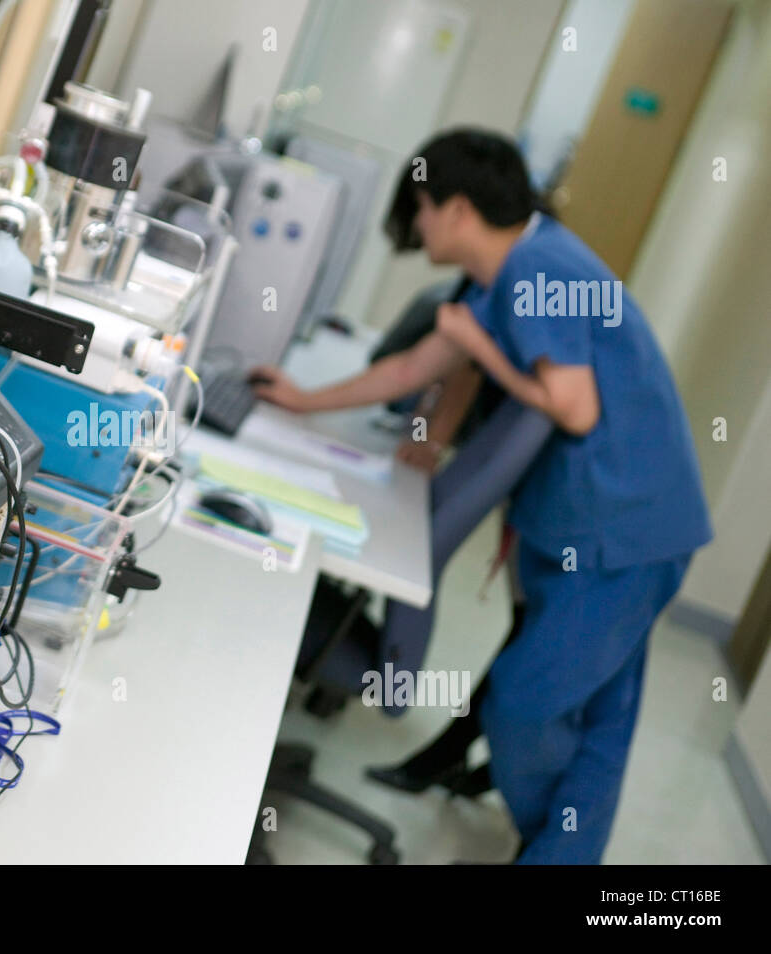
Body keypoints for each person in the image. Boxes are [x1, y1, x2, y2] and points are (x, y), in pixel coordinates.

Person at [252, 129, 712, 864]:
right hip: (593, 520)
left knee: (524, 705)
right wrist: (303, 400)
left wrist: (478, 343)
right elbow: (417, 366)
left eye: (424, 208)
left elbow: (576, 407)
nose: (419, 225)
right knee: (602, 715)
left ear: (458, 207)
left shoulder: (538, 271)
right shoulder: (502, 272)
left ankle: (546, 841)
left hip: (622, 527)